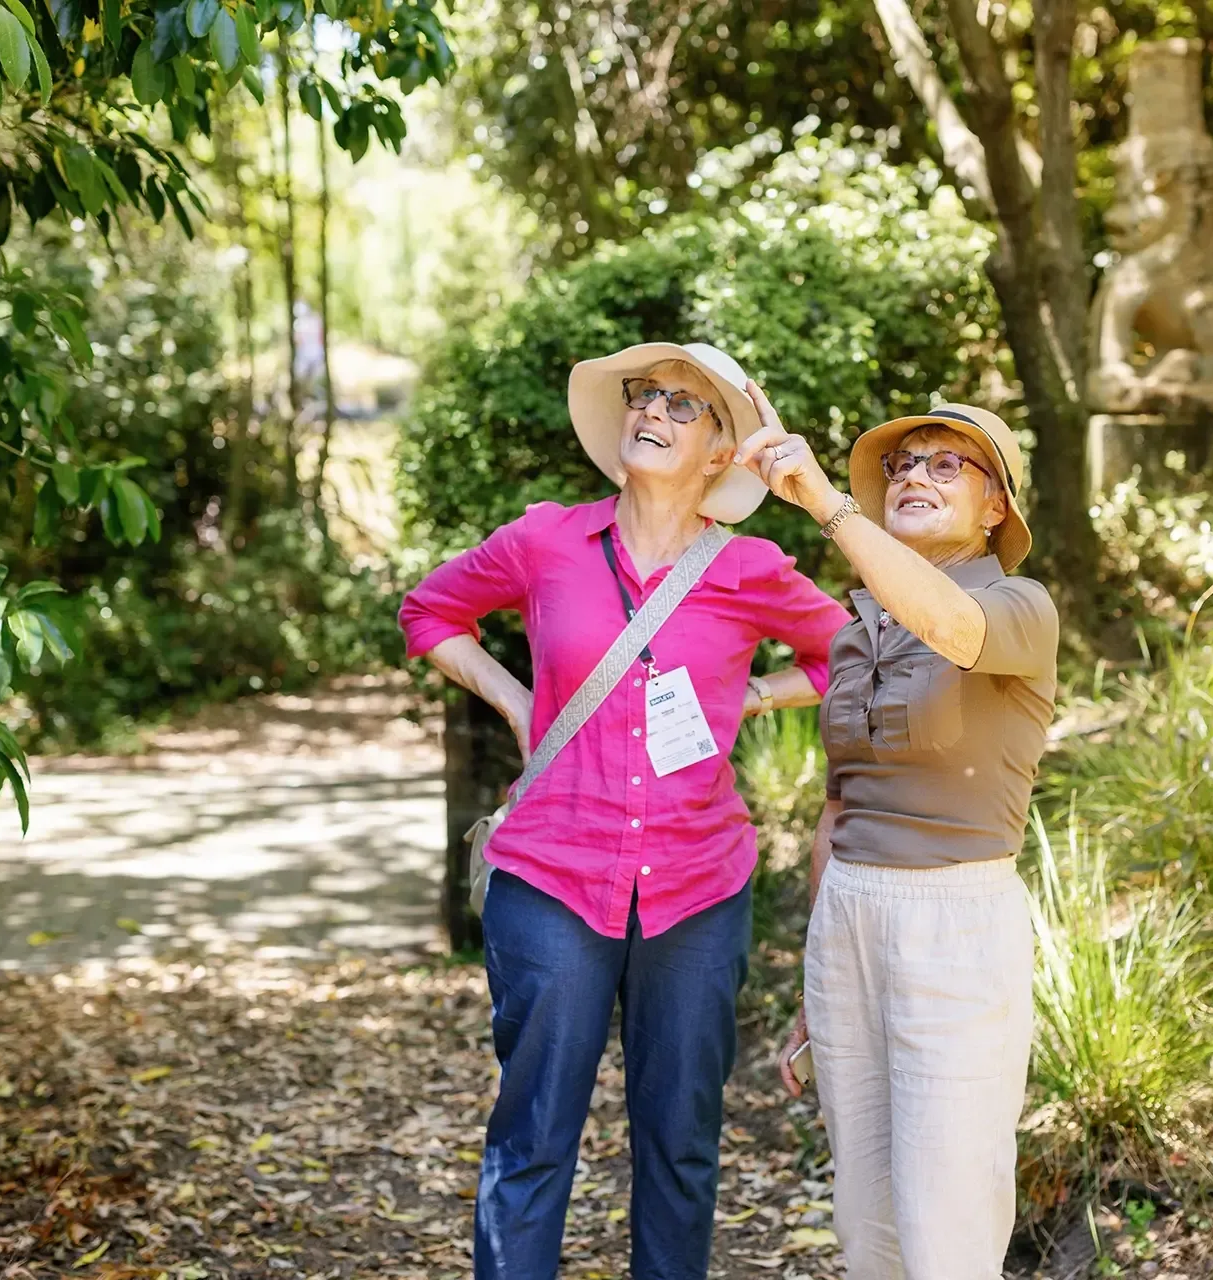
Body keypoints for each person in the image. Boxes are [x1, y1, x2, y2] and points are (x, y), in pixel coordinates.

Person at [398, 342, 849, 1280]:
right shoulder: (546, 540)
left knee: (681, 1146)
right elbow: (430, 613)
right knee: (533, 1137)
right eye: (647, 396)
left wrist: (753, 698)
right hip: (551, 878)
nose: (654, 412)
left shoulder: (751, 568)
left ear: (723, 453)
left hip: (698, 889)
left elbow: (849, 654)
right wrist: (522, 704)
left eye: (686, 408)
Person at [734, 391, 1058, 1280]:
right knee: (865, 1215)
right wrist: (813, 979)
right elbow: (839, 806)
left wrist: (827, 505)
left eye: (946, 463)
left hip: (956, 921)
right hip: (849, 920)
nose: (914, 474)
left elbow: (952, 627)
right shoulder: (858, 629)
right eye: (903, 465)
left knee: (947, 1215)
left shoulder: (1021, 605)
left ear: (997, 508)